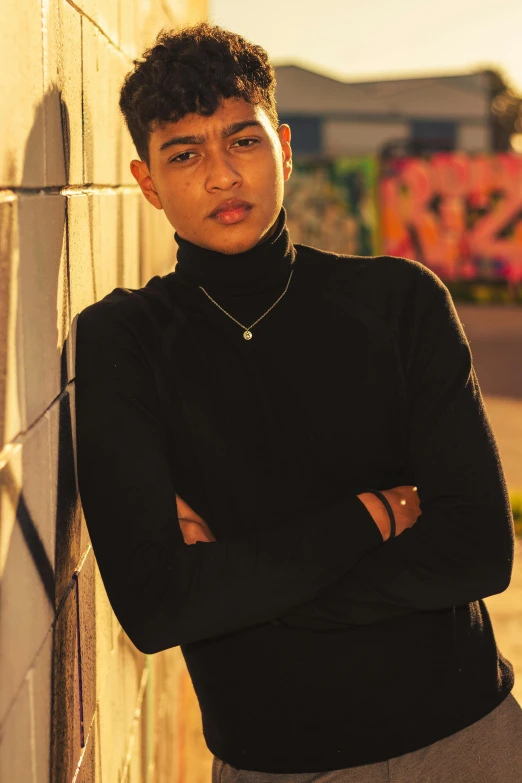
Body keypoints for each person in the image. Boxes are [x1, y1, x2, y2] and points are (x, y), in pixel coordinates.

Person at [74, 22, 522, 782]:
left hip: (467, 740)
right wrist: (372, 516)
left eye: (242, 142)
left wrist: (238, 588)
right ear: (147, 182)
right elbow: (154, 607)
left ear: (282, 147)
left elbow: (479, 548)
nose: (222, 176)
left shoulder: (400, 302)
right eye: (185, 153)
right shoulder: (125, 340)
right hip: (276, 764)